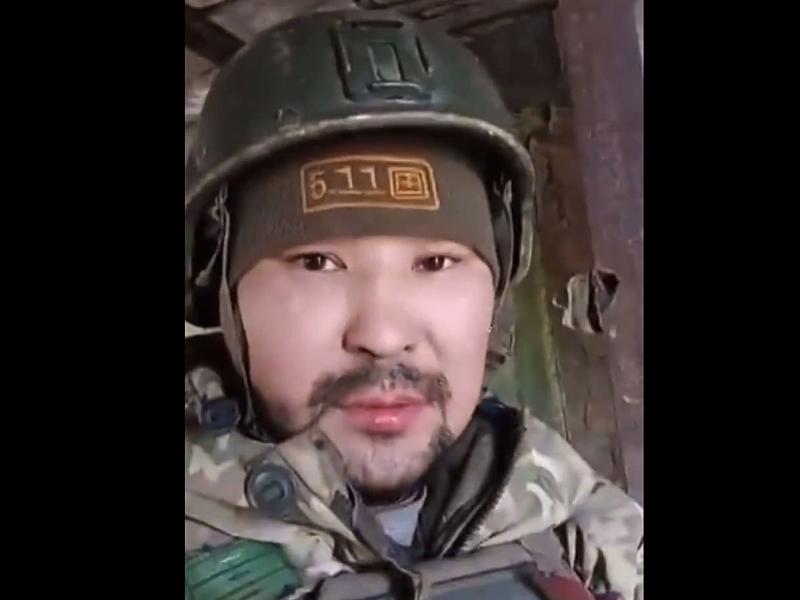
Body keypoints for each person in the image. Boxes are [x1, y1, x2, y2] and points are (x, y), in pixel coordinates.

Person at [184, 9, 643, 600]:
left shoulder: (592, 533)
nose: (382, 334)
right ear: (221, 290)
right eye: (317, 262)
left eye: (435, 262)